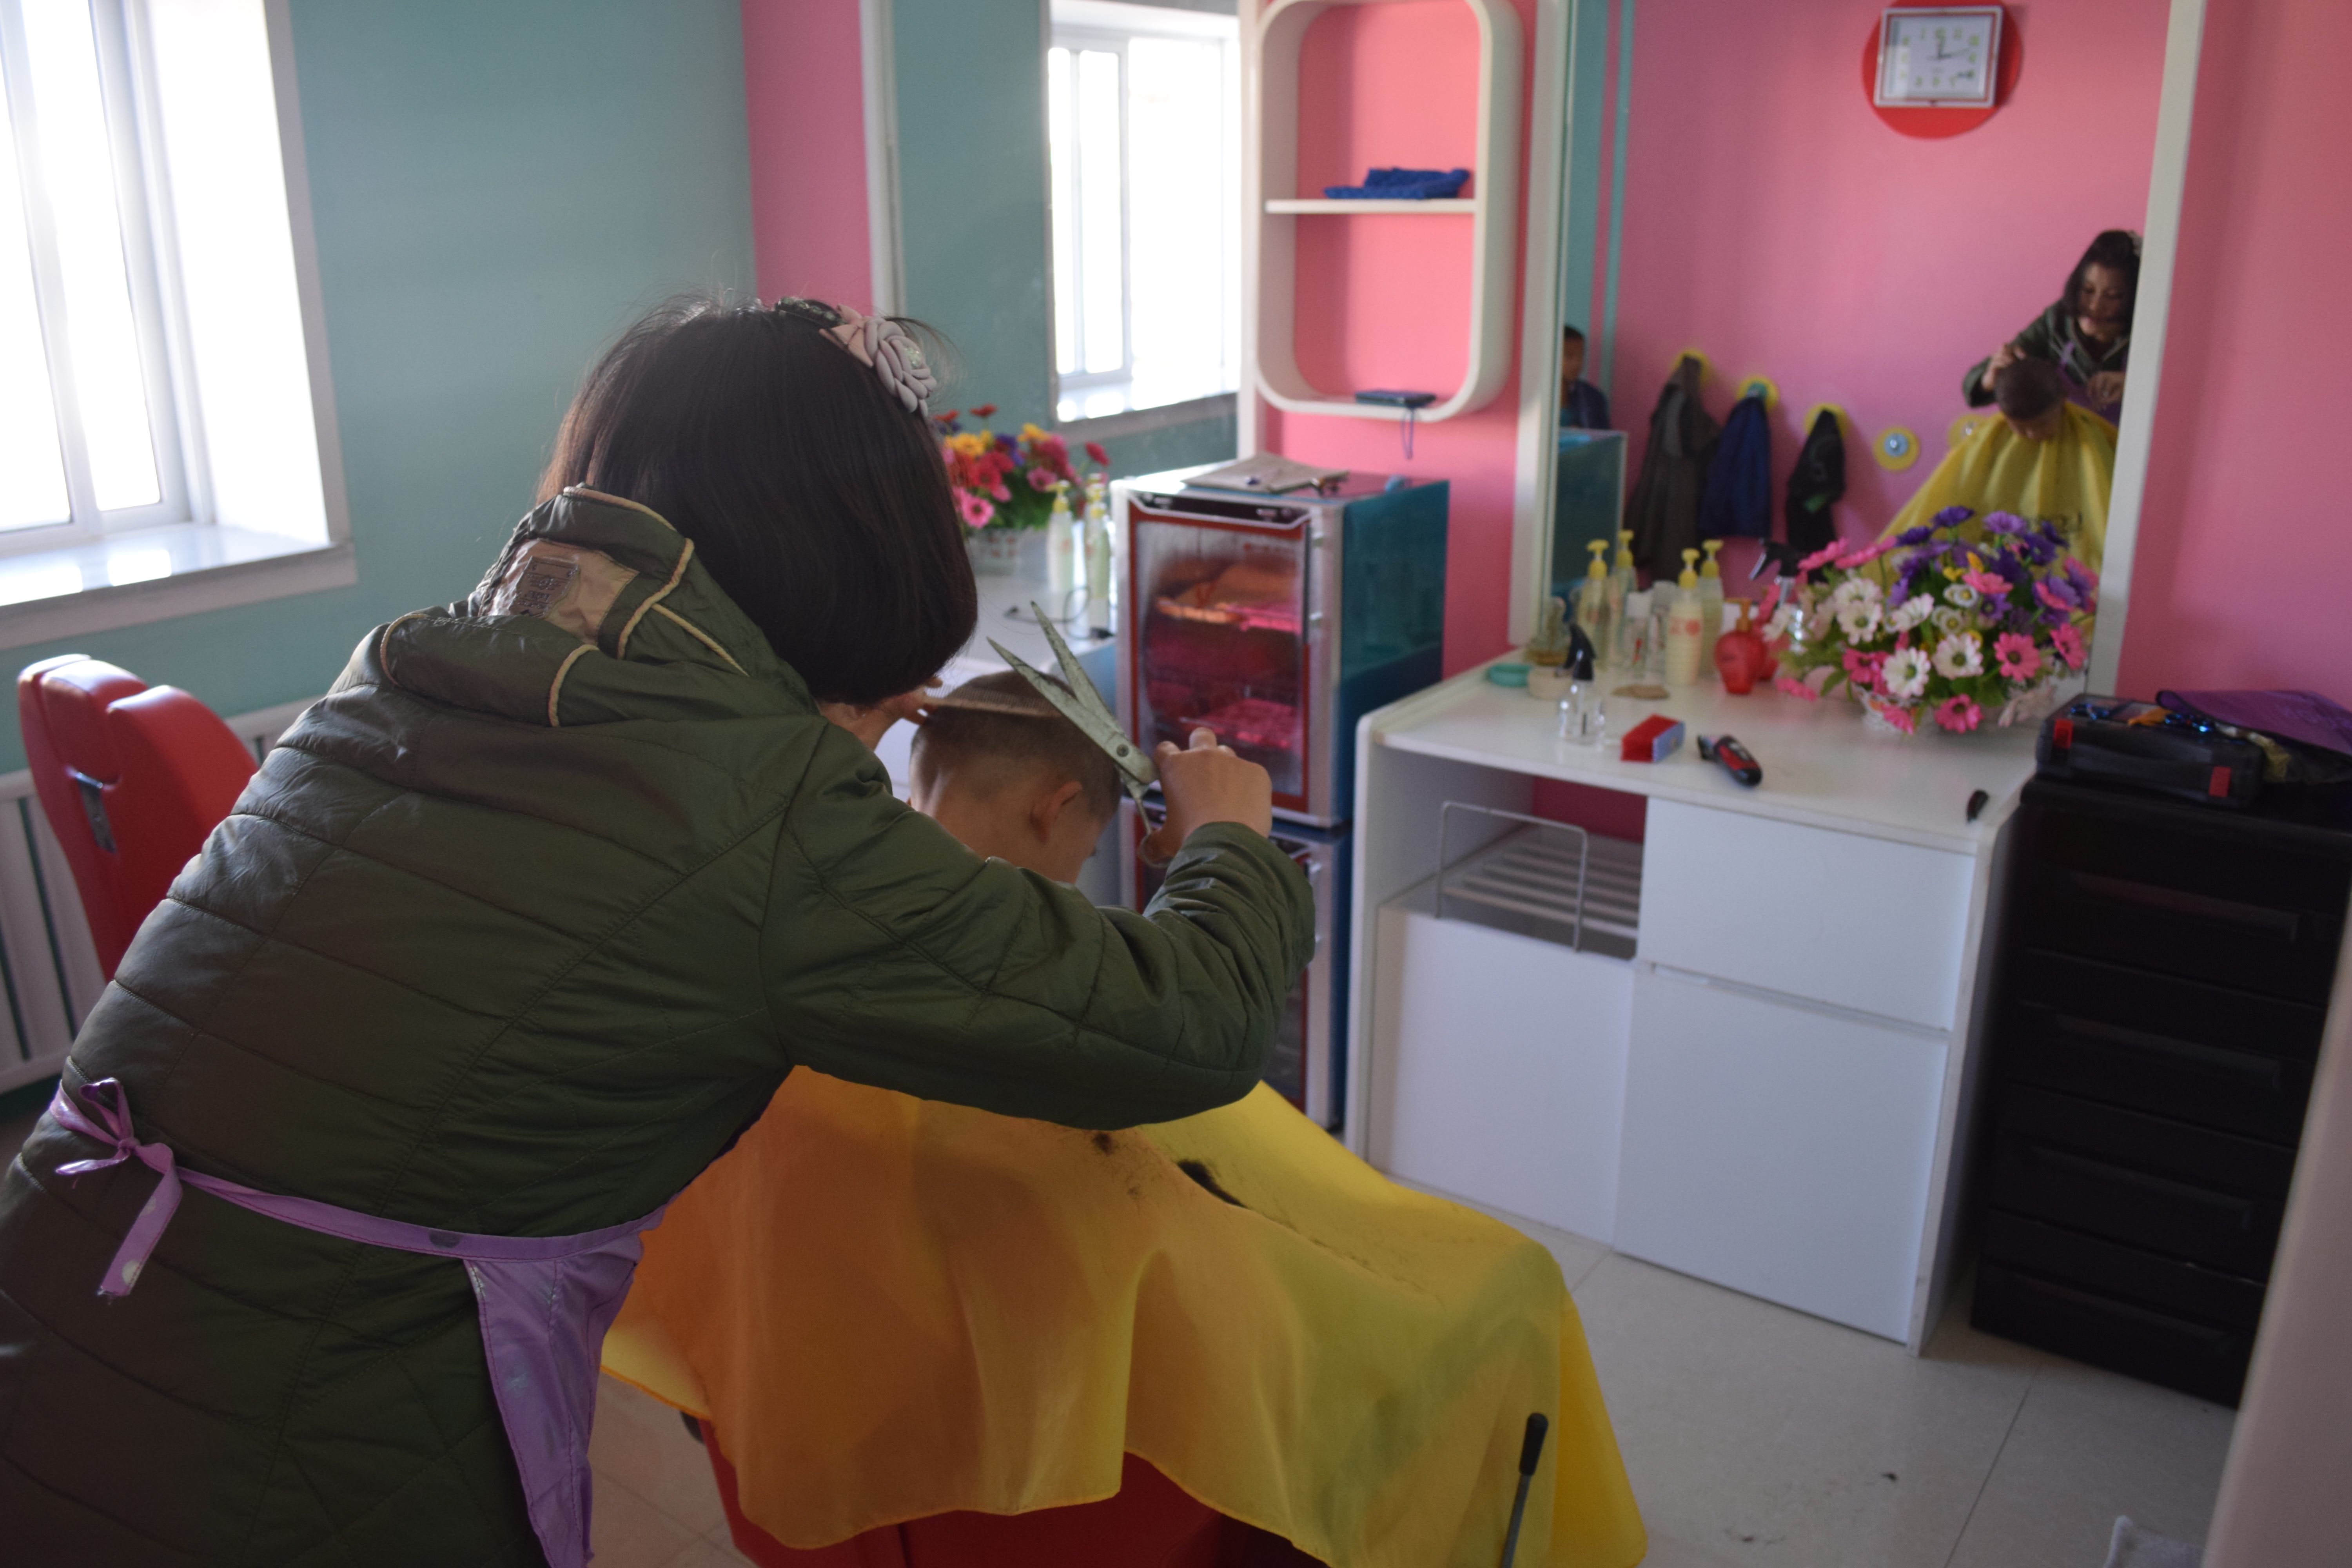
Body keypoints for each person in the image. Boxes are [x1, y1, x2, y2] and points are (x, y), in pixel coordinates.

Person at [0, 296, 1316, 1568]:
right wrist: (1227, 836)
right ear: (861, 549)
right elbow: (1195, 1022)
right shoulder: (759, 813)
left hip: (63, 1311)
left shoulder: (407, 667)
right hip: (274, 1450)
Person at [601, 671, 1648, 1568]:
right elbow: (1208, 1285)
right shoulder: (1062, 1042)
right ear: (1059, 810)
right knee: (1505, 1294)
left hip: (823, 1466)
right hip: (1081, 1517)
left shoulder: (766, 979)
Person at [1884, 357, 2116, 569]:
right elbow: (1951, 492)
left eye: (2043, 424)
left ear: (2063, 400)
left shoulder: (2089, 438)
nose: (2033, 435)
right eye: (2021, 428)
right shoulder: (1987, 441)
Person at [1965, 230, 2139, 423]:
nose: (2095, 306)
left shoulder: (2147, 336)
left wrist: (2136, 387)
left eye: (2113, 296)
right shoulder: (2056, 321)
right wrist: (1988, 380)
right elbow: (1977, 379)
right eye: (2088, 290)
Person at [1560, 324, 1612, 430]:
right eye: (1569, 356)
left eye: (1581, 356)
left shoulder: (1593, 398)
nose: (1577, 363)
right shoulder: (1538, 397)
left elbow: (1602, 440)